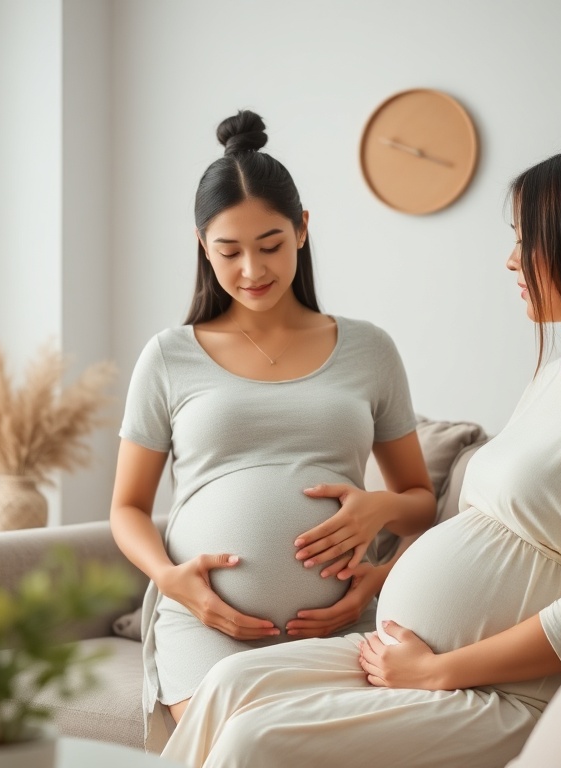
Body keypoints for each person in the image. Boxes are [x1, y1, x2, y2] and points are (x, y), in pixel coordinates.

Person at [161, 144, 561, 767]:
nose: (511, 260)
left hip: (511, 693)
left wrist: (434, 671)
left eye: (527, 240)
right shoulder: (560, 374)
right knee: (228, 684)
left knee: (256, 740)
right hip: (415, 656)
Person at [109, 110, 437, 751]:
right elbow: (126, 508)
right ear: (202, 244)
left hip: (341, 621)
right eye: (229, 251)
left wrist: (379, 531)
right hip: (208, 625)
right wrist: (172, 581)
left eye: (270, 245)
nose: (252, 270)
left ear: (302, 229)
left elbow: (421, 502)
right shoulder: (169, 356)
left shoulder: (369, 350)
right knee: (244, 747)